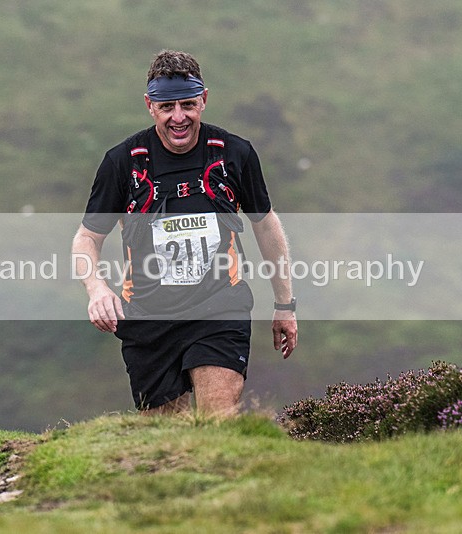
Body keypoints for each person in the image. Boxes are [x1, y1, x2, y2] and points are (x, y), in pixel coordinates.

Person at [72, 49, 297, 417]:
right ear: (150, 105)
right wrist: (96, 288)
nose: (179, 117)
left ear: (204, 100)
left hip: (220, 309)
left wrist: (284, 304)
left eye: (188, 105)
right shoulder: (123, 162)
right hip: (148, 319)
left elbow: (266, 225)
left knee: (218, 421)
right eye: (167, 107)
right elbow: (86, 239)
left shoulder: (233, 154)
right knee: (166, 439)